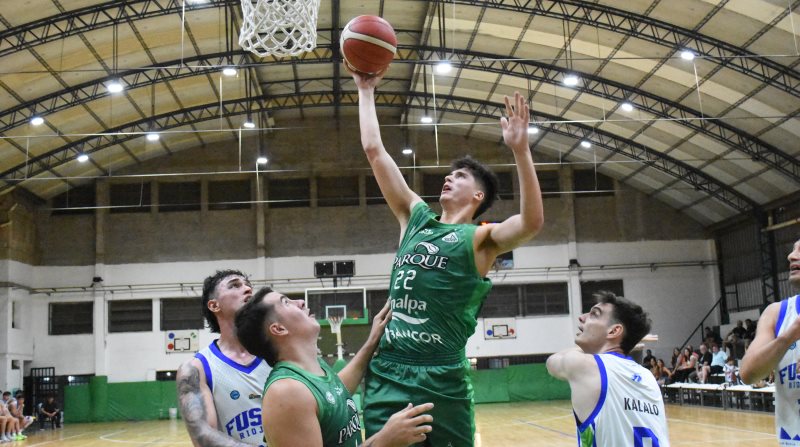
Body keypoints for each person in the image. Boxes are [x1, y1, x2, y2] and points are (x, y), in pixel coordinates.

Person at [352, 70, 544, 446]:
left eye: (460, 176)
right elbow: (375, 151)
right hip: (390, 369)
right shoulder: (415, 217)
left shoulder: (480, 239)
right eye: (450, 173)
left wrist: (521, 151)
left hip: (443, 376)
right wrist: (365, 90)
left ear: (478, 197)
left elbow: (531, 223)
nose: (449, 178)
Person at [234, 287, 434, 446]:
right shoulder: (286, 392)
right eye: (286, 302)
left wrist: (372, 341)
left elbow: (336, 393)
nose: (301, 302)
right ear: (278, 329)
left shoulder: (313, 370)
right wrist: (384, 440)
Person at [547, 291, 670, 446]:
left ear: (614, 331)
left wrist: (590, 346)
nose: (582, 317)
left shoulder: (585, 366)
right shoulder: (648, 376)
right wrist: (628, 341)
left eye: (594, 314)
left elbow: (552, 362)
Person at [176, 270, 272, 446]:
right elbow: (203, 437)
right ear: (214, 305)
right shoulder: (197, 369)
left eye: (248, 285)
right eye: (235, 285)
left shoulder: (277, 351)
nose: (247, 289)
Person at [740, 238, 800, 446]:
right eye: (793, 250)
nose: (791, 256)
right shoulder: (777, 313)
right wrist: (790, 334)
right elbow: (749, 373)